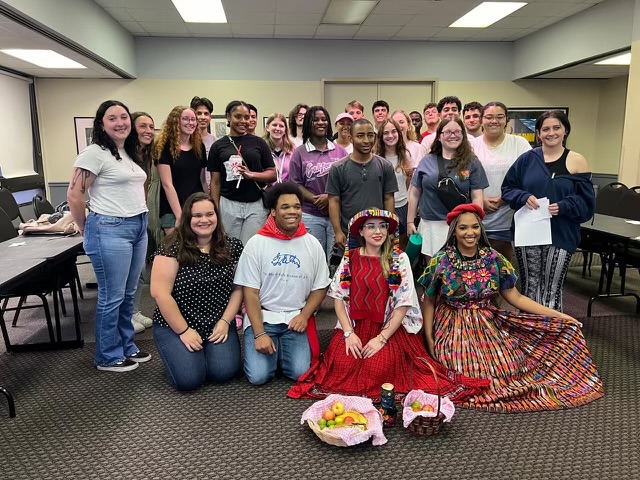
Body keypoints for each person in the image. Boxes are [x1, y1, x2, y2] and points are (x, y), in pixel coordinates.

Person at [418, 203, 604, 412]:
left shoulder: (493, 259)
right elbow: (429, 301)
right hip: (453, 324)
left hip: (486, 321)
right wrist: (429, 337)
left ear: (481, 228)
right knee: (468, 371)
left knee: (506, 367)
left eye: (475, 227)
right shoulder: (441, 261)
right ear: (454, 231)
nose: (470, 233)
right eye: (463, 228)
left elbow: (516, 297)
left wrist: (560, 316)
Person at [289, 209, 488, 401]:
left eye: (383, 226)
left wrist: (381, 339)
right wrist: (348, 334)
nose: (378, 232)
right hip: (354, 326)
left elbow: (403, 304)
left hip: (388, 328)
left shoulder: (399, 259)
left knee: (378, 369)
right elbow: (338, 297)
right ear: (360, 231)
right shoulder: (351, 257)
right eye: (371, 227)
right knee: (342, 366)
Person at [67, 100, 150, 372]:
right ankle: (107, 355)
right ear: (101, 124)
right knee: (112, 296)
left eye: (124, 117)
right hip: (110, 228)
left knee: (127, 294)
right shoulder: (94, 153)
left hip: (137, 225)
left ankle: (126, 346)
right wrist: (84, 227)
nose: (120, 122)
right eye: (112, 118)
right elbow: (75, 193)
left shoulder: (127, 152)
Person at [234, 182, 331, 385]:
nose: (292, 212)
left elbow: (320, 286)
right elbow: (249, 292)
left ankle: (279, 352)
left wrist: (305, 315)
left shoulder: (311, 243)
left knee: (300, 373)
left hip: (295, 320)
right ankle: (271, 349)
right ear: (273, 211)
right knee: (258, 377)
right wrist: (259, 333)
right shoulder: (257, 243)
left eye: (296, 206)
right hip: (263, 317)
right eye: (285, 207)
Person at [502, 110, 595, 311]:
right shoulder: (527, 160)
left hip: (561, 232)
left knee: (551, 287)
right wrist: (523, 197)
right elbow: (508, 189)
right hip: (529, 232)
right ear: (538, 133)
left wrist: (564, 206)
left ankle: (551, 338)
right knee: (530, 286)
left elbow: (587, 205)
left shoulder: (578, 161)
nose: (550, 133)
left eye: (556, 128)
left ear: (565, 131)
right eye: (545, 129)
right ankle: (528, 334)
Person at [150, 192, 243, 391]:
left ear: (217, 216)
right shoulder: (172, 247)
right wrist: (184, 331)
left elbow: (238, 289)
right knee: (189, 380)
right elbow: (160, 293)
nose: (204, 220)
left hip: (217, 322)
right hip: (176, 323)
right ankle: (185, 355)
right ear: (187, 218)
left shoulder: (232, 246)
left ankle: (203, 355)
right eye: (197, 216)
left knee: (224, 372)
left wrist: (226, 321)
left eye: (209, 214)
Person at [407, 117, 488, 260]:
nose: (453, 135)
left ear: (463, 135)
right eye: (448, 132)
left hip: (460, 225)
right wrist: (410, 221)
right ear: (439, 136)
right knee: (433, 270)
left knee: (460, 268)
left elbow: (477, 196)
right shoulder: (427, 161)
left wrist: (476, 224)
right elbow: (414, 193)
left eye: (457, 131)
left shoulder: (472, 162)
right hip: (431, 225)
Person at [470, 102, 531, 263]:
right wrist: (480, 201)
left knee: (502, 270)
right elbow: (462, 178)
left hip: (507, 217)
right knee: (475, 271)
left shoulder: (519, 144)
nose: (494, 121)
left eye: (499, 117)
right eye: (489, 117)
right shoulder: (471, 145)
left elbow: (528, 178)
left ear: (506, 120)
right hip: (476, 218)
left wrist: (505, 199)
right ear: (482, 120)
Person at [208, 100, 276, 245]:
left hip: (255, 205)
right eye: (238, 117)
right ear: (228, 117)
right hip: (228, 205)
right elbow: (215, 181)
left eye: (247, 117)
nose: (243, 121)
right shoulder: (218, 146)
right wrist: (214, 208)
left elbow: (272, 174)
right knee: (228, 248)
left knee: (250, 249)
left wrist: (251, 175)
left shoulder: (259, 143)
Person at [326, 118, 398, 251]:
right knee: (351, 271)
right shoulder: (338, 168)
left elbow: (388, 198)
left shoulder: (385, 166)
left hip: (378, 233)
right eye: (360, 136)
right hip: (350, 234)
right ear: (351, 138)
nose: (366, 140)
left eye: (370, 135)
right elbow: (334, 201)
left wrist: (389, 228)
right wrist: (337, 232)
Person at [288, 106, 348, 260]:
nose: (321, 122)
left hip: (337, 215)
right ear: (308, 123)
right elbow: (295, 184)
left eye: (324, 119)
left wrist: (328, 197)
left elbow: (347, 183)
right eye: (315, 119)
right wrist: (316, 199)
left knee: (336, 259)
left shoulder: (340, 151)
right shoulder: (299, 153)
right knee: (313, 258)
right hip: (310, 214)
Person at [154, 105, 207, 236]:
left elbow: (202, 180)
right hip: (173, 210)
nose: (191, 123)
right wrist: (180, 216)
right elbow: (167, 185)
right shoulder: (164, 147)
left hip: (196, 207)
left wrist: (209, 205)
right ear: (176, 121)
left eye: (193, 119)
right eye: (186, 119)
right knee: (175, 251)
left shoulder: (199, 146)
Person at [129, 111, 156, 333]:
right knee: (126, 272)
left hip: (141, 215)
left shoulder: (146, 155)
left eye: (151, 126)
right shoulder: (122, 155)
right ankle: (125, 315)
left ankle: (134, 310)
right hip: (122, 220)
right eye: (142, 126)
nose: (148, 130)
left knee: (138, 269)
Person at [375, 118, 413, 248]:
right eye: (386, 133)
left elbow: (408, 184)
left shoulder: (405, 156)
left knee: (400, 248)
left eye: (393, 131)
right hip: (382, 208)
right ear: (381, 136)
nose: (390, 136)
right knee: (383, 247)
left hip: (403, 207)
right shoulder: (375, 158)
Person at [263, 112, 295, 183]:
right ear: (267, 127)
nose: (277, 128)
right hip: (267, 191)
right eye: (274, 125)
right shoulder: (261, 148)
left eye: (281, 126)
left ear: (285, 129)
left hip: (288, 190)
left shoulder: (293, 149)